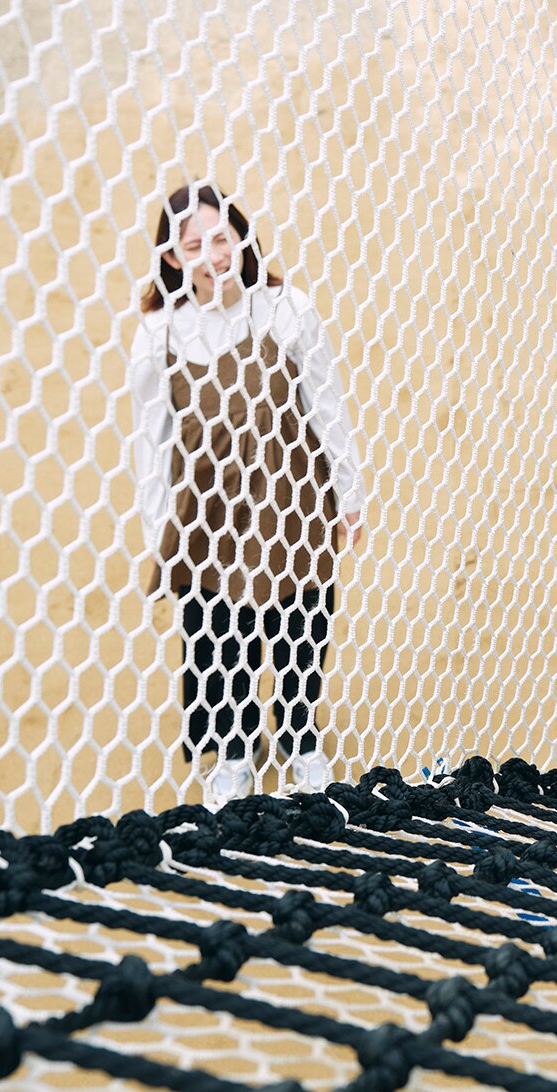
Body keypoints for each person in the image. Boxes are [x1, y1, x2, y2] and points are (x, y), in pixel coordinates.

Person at [129, 184, 368, 809]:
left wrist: (350, 491)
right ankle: (235, 751)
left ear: (241, 239)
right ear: (173, 259)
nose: (212, 255)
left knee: (301, 619)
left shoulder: (287, 308)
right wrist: (161, 530)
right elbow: (151, 443)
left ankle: (297, 736)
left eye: (221, 238)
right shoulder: (160, 334)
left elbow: (327, 403)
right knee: (219, 629)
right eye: (194, 246)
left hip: (291, 490)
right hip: (209, 507)